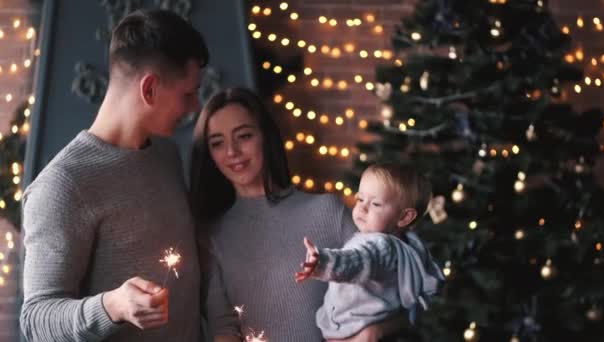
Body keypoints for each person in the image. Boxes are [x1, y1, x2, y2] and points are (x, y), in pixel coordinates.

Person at [20, 9, 208, 342]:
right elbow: (36, 319)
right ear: (149, 89)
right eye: (187, 94)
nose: (194, 107)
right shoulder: (64, 186)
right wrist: (111, 306)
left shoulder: (166, 155)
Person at [191, 87, 408, 342]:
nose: (232, 152)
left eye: (244, 136)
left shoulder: (326, 212)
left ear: (266, 137)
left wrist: (373, 332)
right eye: (217, 143)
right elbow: (223, 327)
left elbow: (401, 291)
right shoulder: (213, 234)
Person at [295, 163, 445, 340]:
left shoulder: (381, 245)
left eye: (375, 203)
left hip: (355, 330)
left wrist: (323, 261)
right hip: (366, 326)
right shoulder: (406, 242)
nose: (362, 208)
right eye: (360, 199)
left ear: (404, 217)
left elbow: (358, 261)